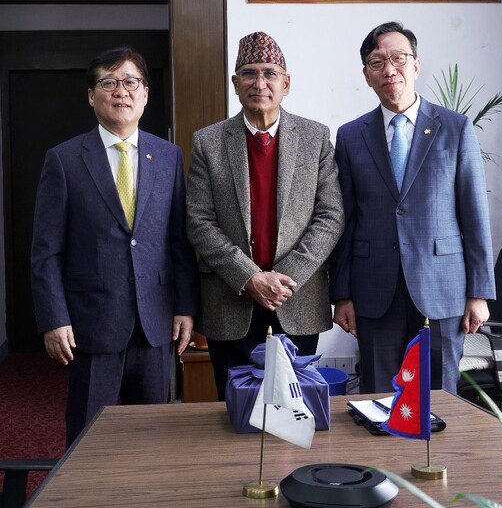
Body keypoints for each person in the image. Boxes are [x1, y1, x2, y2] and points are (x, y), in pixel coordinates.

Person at [30, 47, 199, 446]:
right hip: (90, 324)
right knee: (88, 438)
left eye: (130, 82)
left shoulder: (169, 157)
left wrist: (186, 307)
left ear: (145, 93)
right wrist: (54, 318)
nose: (120, 91)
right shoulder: (64, 160)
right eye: (108, 82)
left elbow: (179, 241)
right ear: (92, 95)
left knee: (153, 435)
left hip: (155, 323)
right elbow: (46, 251)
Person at [330, 21, 495, 394]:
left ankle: (437, 457)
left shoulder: (455, 128)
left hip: (442, 289)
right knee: (379, 397)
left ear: (416, 65)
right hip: (374, 290)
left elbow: (474, 213)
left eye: (398, 58)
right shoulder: (351, 136)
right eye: (377, 62)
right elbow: (344, 220)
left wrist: (479, 292)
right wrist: (342, 294)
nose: (389, 70)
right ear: (367, 76)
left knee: (439, 398)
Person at [186, 31, 344, 400]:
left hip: (297, 299)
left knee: (296, 409)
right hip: (231, 298)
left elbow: (330, 215)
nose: (260, 83)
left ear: (286, 83)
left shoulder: (315, 137)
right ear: (235, 84)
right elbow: (199, 221)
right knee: (235, 410)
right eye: (249, 73)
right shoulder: (208, 142)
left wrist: (283, 279)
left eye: (270, 73)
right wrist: (250, 278)